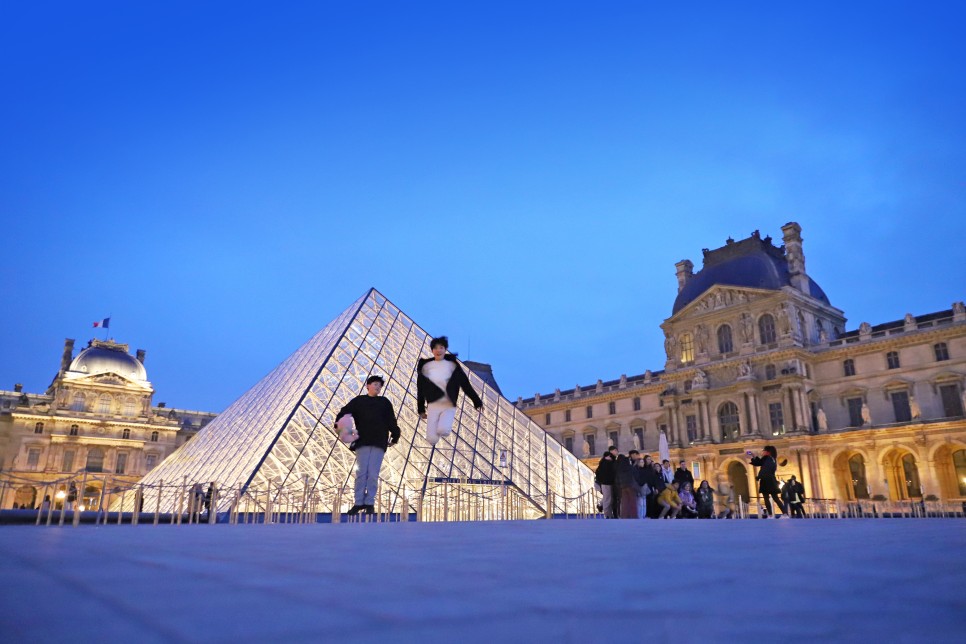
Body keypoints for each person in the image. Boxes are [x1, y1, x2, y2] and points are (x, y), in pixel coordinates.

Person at [335, 375, 401, 516]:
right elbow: (343, 412)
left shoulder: (385, 402)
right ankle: (358, 503)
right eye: (375, 384)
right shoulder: (359, 401)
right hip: (363, 441)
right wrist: (341, 428)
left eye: (379, 385)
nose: (377, 387)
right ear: (368, 385)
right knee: (361, 474)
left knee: (373, 474)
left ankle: (369, 503)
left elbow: (391, 420)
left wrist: (395, 435)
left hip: (379, 441)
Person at [416, 336, 483, 446]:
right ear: (432, 350)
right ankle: (434, 435)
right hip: (433, 404)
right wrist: (421, 409)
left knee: (443, 430)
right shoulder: (426, 367)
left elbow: (465, 384)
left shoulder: (453, 365)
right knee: (431, 439)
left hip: (448, 403)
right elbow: (421, 389)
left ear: (445, 349)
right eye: (436, 348)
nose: (438, 350)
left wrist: (477, 401)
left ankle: (443, 429)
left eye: (441, 348)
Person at [750, 445, 787, 518]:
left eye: (763, 451)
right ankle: (785, 513)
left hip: (766, 480)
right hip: (772, 480)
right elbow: (760, 463)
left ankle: (770, 515)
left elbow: (761, 466)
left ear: (767, 452)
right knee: (775, 498)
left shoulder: (766, 458)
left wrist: (759, 477)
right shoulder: (773, 459)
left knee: (766, 498)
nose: (762, 452)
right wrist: (753, 456)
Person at [594, 446, 618, 518]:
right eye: (616, 450)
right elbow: (601, 473)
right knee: (608, 499)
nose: (617, 452)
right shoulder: (607, 461)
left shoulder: (610, 460)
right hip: (606, 483)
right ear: (612, 451)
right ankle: (607, 515)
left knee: (609, 499)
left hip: (609, 483)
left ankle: (609, 514)